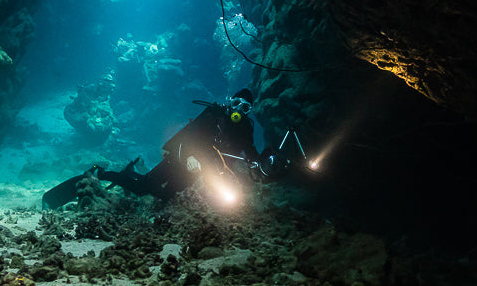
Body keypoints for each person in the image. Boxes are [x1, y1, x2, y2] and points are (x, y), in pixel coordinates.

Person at [43, 89, 291, 208]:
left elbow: (251, 154)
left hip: (199, 169)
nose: (239, 110)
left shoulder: (245, 128)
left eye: (245, 108)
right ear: (230, 101)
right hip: (181, 158)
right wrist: (192, 155)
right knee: (143, 188)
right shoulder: (212, 115)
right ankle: (100, 172)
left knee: (166, 196)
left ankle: (131, 172)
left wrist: (269, 163)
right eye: (237, 103)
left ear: (249, 111)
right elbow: (188, 137)